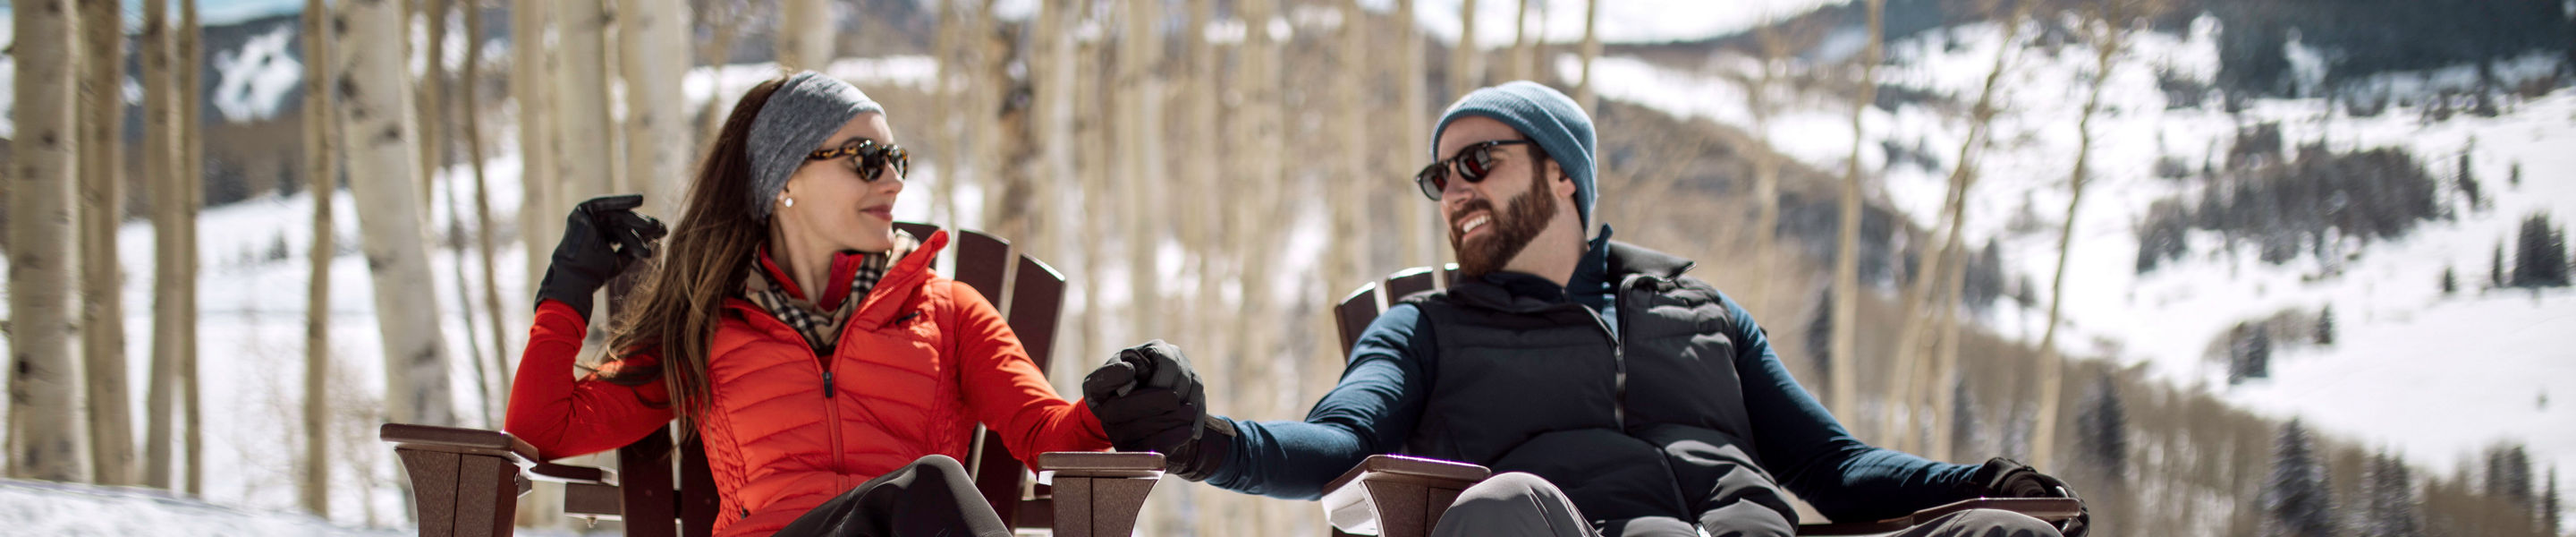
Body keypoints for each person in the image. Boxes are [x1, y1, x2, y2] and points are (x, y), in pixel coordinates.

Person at [1081, 81, 2089, 537]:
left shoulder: (1703, 313)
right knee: (1502, 510)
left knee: (2003, 532)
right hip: (1567, 531)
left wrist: (1981, 480)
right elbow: (1338, 445)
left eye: (1479, 162)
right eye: (1440, 177)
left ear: (1565, 179)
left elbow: (1833, 465)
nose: (1456, 189)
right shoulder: (1426, 327)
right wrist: (1203, 439)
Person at [504, 71, 1113, 537]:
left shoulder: (948, 312)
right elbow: (543, 430)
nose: (894, 182)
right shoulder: (708, 328)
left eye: (896, 161)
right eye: (866, 160)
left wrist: (1118, 406)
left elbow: (1051, 437)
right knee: (926, 484)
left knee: (925, 488)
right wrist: (567, 287)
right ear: (785, 179)